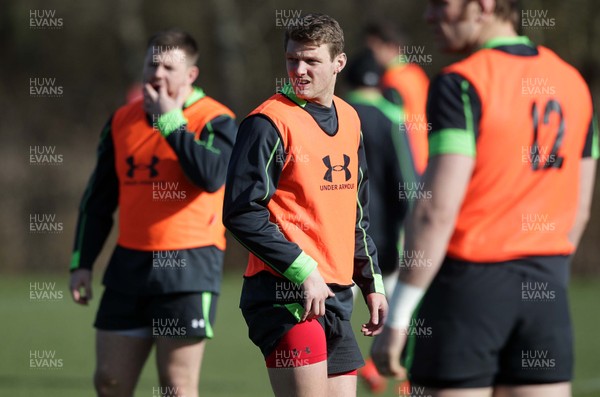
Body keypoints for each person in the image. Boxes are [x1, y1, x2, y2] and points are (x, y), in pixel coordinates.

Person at [372, 1, 598, 396]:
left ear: (484, 6)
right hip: (547, 291)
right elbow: (578, 212)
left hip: (468, 292)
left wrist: (399, 317)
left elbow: (436, 211)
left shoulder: (461, 82)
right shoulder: (572, 81)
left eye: (441, 5)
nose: (429, 17)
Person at [223, 13, 388, 397]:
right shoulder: (267, 122)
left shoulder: (350, 119)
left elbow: (356, 215)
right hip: (283, 293)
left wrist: (371, 282)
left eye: (311, 60)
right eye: (292, 59)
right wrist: (303, 270)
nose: (299, 69)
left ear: (338, 63)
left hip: (334, 295)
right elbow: (241, 212)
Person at [69, 29, 237, 397]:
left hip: (188, 266)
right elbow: (97, 199)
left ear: (190, 75)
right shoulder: (121, 120)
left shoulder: (216, 119)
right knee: (108, 381)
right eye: (152, 64)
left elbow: (210, 177)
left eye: (168, 66)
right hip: (128, 265)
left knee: (175, 386)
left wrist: (170, 123)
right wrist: (82, 262)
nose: (157, 73)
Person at [345, 49, 414, 394]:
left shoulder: (334, 114)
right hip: (382, 238)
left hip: (338, 236)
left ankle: (339, 375)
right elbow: (405, 182)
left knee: (334, 315)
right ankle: (399, 374)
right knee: (396, 310)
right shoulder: (390, 117)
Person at [365, 21, 430, 176]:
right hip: (425, 159)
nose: (370, 56)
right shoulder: (416, 73)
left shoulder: (391, 80)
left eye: (373, 49)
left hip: (406, 160)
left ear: (391, 46)